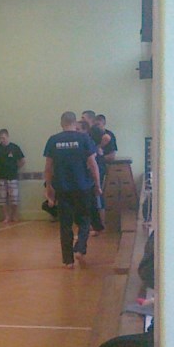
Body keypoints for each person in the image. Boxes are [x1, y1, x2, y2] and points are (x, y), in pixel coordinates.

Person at [43, 111, 102, 268]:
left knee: (65, 224)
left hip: (63, 188)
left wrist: (49, 187)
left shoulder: (53, 140)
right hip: (83, 186)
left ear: (61, 123)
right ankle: (80, 248)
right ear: (75, 123)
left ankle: (68, 261)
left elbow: (48, 167)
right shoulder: (84, 138)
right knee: (84, 220)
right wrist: (97, 185)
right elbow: (93, 164)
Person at [0, 129, 25, 223]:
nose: (2, 140)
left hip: (12, 176)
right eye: (0, 138)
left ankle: (13, 215)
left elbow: (22, 160)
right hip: (0, 177)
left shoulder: (15, 147)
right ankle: (6, 216)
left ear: (7, 136)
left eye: (3, 138)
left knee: (14, 198)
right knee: (2, 199)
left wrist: (15, 168)